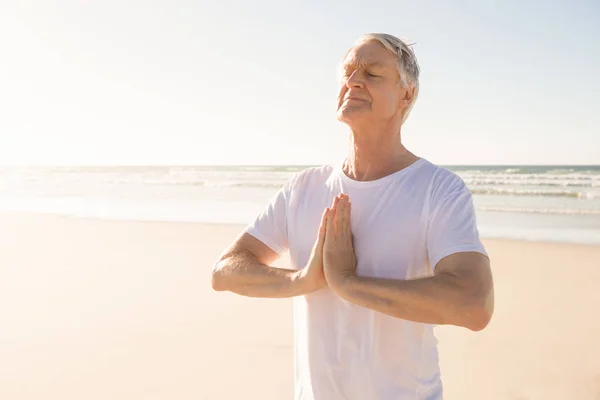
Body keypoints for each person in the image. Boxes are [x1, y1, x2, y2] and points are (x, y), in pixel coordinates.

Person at [211, 33, 494, 400]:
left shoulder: (438, 189)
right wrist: (302, 279)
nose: (354, 81)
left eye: (373, 73)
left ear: (406, 95)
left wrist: (348, 283)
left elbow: (474, 304)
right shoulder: (304, 188)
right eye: (348, 72)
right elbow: (224, 271)